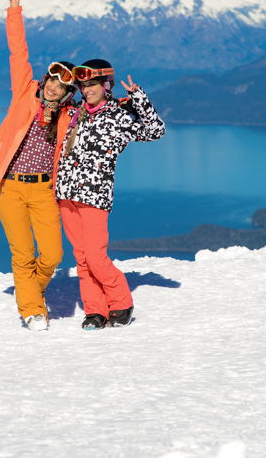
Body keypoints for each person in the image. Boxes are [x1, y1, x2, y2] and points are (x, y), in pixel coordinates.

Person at [0, 0, 79, 331]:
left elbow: (97, 108)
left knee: (52, 255)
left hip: (44, 190)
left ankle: (32, 291)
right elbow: (18, 53)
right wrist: (14, 12)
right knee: (22, 254)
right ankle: (32, 309)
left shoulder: (68, 116)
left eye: (61, 86)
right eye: (51, 80)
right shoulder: (25, 93)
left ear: (66, 93)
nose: (52, 87)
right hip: (10, 188)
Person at [55, 59, 165, 330]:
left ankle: (121, 302)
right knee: (81, 257)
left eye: (92, 84)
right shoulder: (75, 112)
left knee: (95, 256)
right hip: (66, 194)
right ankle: (95, 311)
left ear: (106, 85)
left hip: (94, 196)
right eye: (82, 84)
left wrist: (139, 100)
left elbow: (155, 131)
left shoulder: (117, 116)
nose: (86, 89)